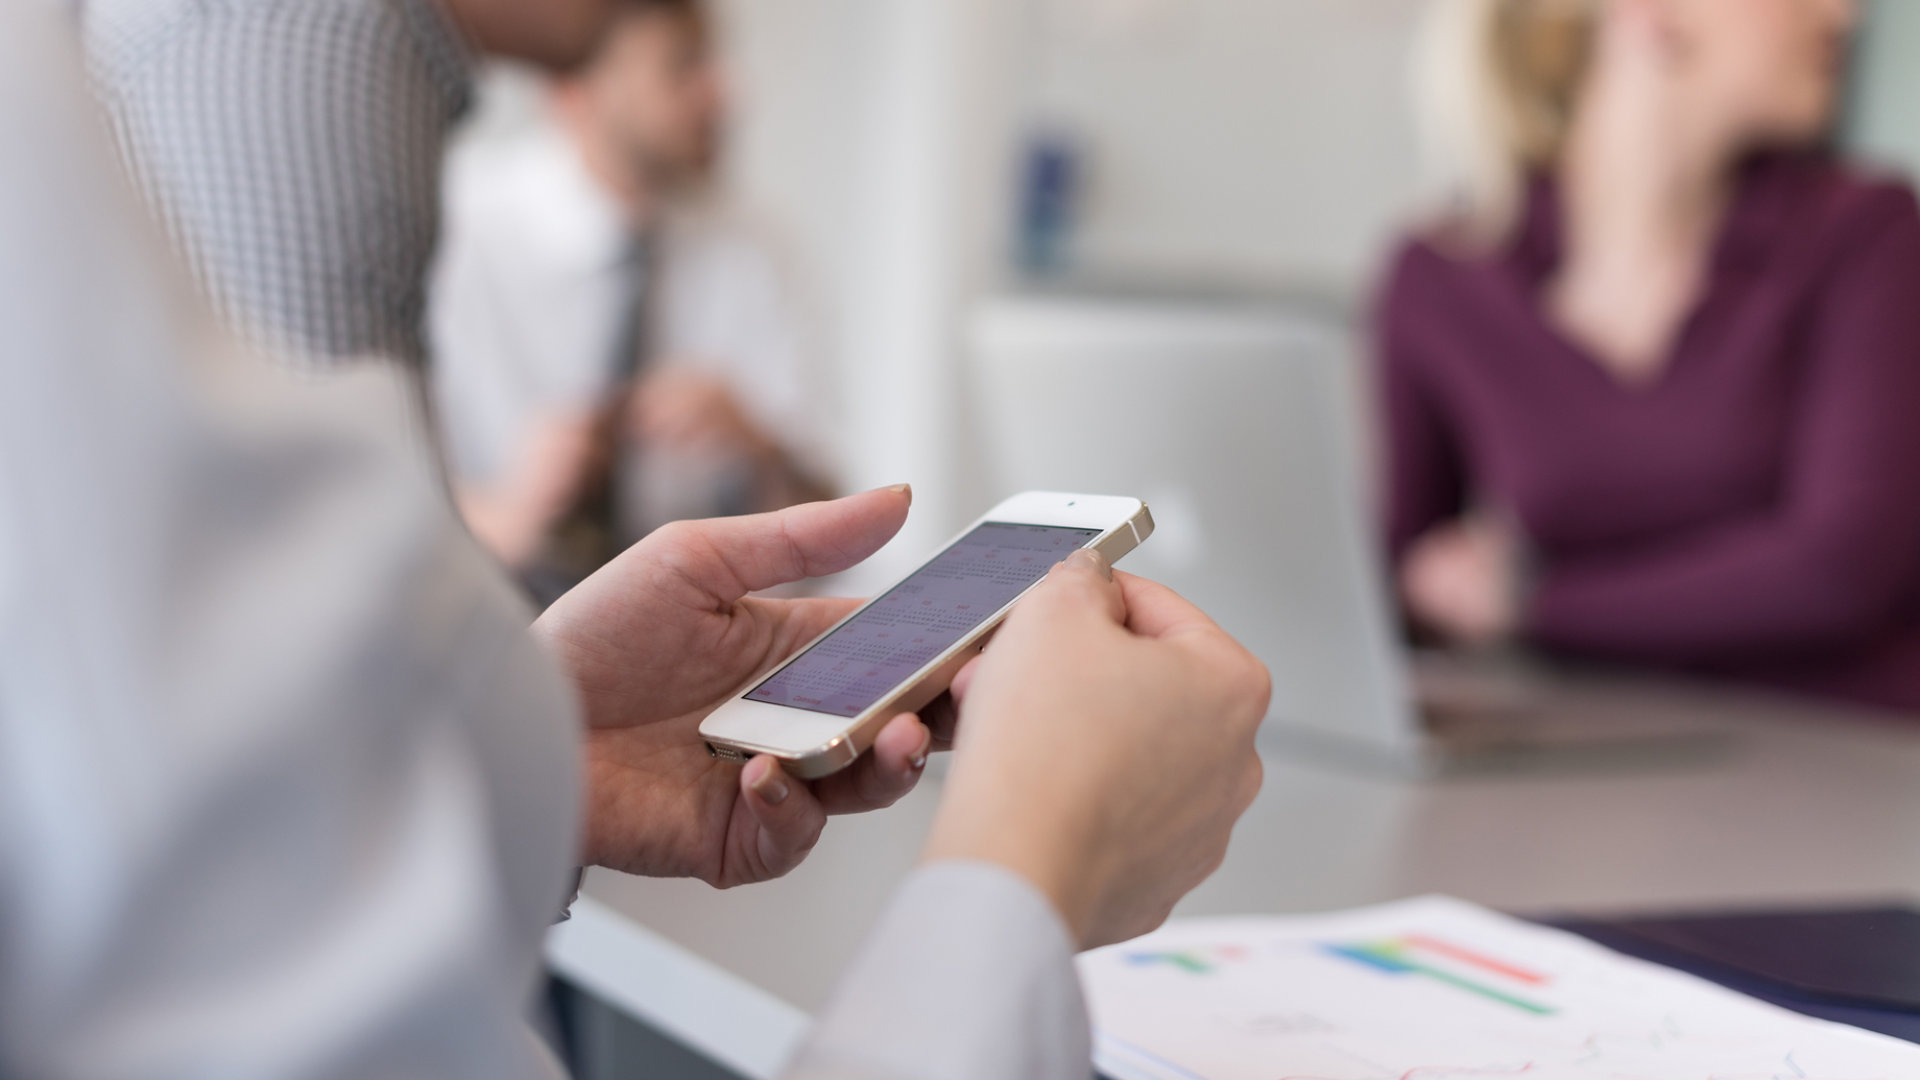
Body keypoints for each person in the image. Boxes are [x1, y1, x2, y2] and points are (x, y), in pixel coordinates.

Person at [0, 10, 1268, 1079]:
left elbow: (242, 894)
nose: (724, 91)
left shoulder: (741, 246)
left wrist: (537, 743)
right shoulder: (251, 79)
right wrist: (1033, 858)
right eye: (685, 64)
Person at [1379, 0, 1920, 711]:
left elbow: (1842, 568)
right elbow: (1395, 589)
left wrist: (1534, 607)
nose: (1842, 15)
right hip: (1584, 752)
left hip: (1842, 756)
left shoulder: (1865, 233)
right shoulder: (1442, 279)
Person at [431, 0, 835, 599]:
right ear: (573, 91)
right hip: (501, 621)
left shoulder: (754, 247)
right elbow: (367, 502)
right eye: (681, 66)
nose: (724, 92)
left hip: (695, 627)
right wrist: (511, 513)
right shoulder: (455, 229)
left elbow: (829, 512)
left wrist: (757, 444)